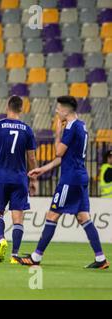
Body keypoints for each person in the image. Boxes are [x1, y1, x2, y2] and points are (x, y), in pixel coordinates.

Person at [15, 96, 110, 269]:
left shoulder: (71, 127)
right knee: (83, 217)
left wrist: (58, 132)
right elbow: (65, 157)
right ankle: (101, 258)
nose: (57, 112)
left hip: (70, 180)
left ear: (65, 110)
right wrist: (43, 169)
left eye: (58, 109)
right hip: (80, 176)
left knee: (52, 215)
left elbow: (59, 152)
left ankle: (36, 257)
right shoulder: (82, 125)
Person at [0, 96, 37, 264]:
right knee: (18, 218)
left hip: (1, 177)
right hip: (20, 178)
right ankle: (14, 255)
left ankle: (1, 239)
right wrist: (34, 179)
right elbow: (31, 158)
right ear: (21, 109)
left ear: (7, 106)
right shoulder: (27, 130)